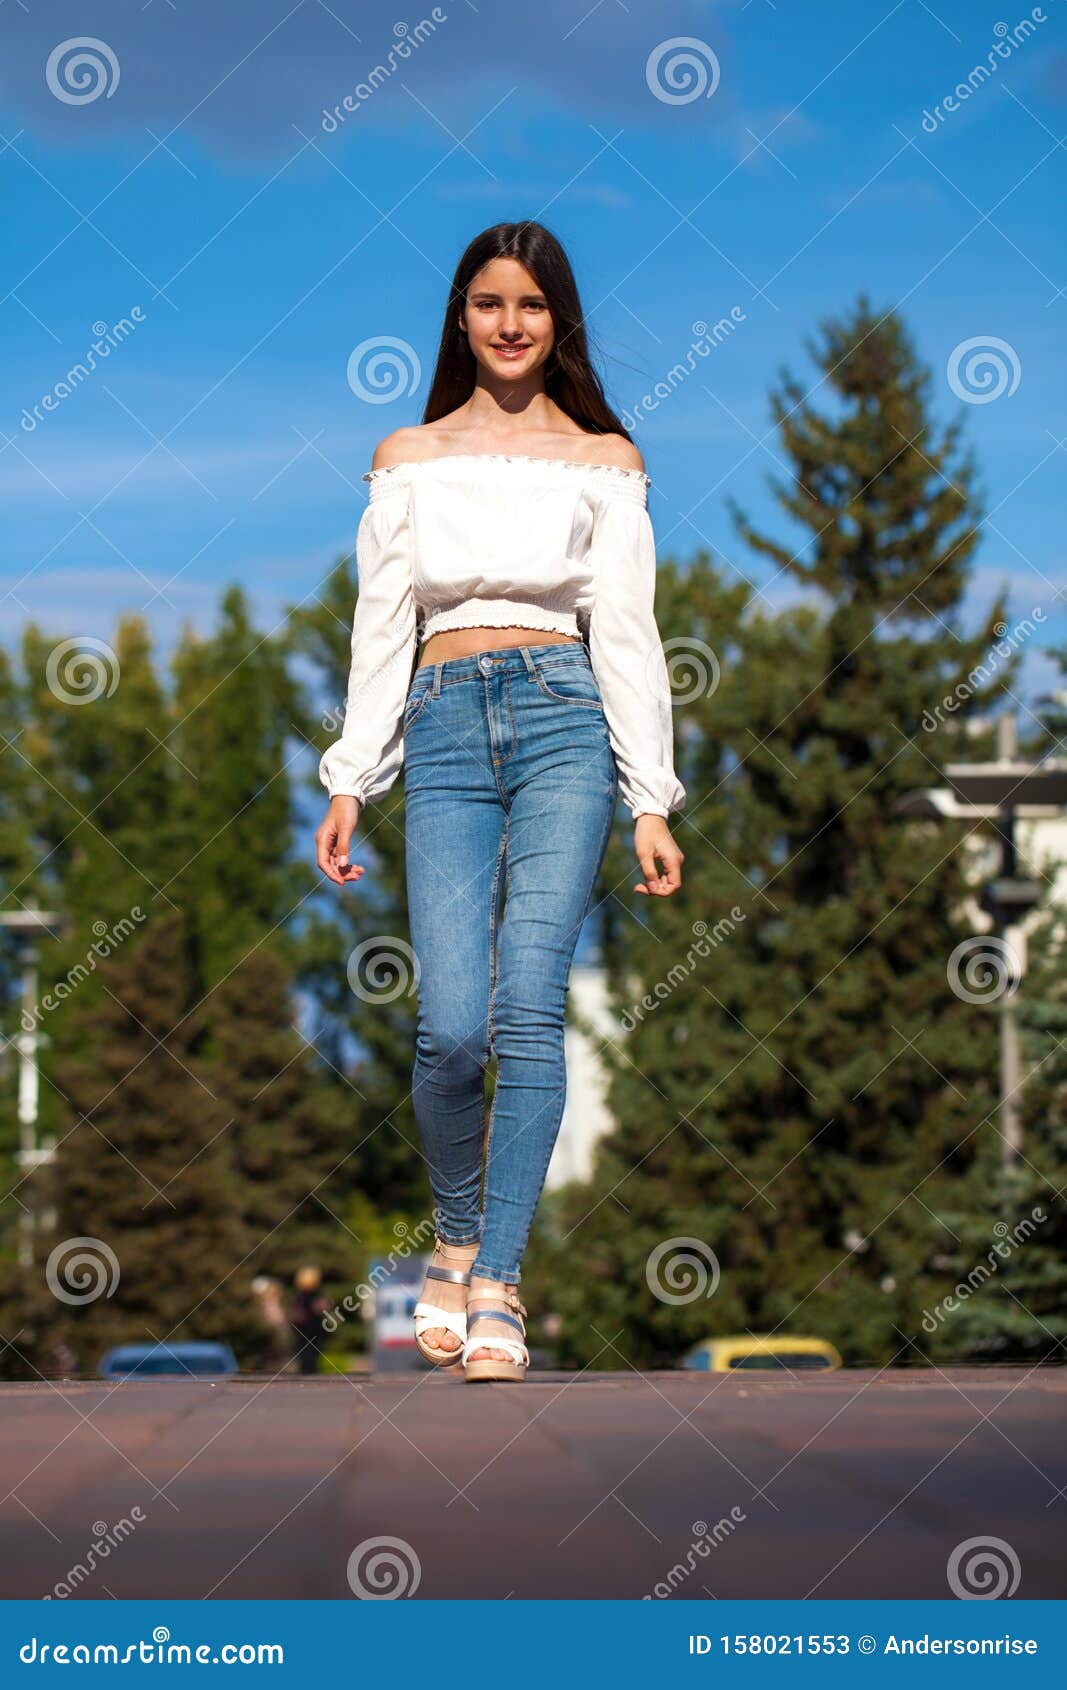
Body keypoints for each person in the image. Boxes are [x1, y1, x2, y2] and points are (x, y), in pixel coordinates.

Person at [315, 222, 685, 1384]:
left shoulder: (605, 460)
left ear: (557, 319)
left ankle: (498, 1285)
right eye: (487, 303)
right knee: (451, 1026)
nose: (510, 324)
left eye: (530, 304)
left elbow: (626, 632)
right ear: (460, 317)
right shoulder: (408, 455)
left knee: (530, 1005)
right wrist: (348, 774)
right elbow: (382, 622)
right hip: (440, 720)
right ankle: (455, 1230)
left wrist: (650, 797)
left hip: (565, 715)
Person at [289, 1265, 329, 1376]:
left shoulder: (299, 1295)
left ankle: (306, 1370)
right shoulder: (314, 1294)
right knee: (311, 1351)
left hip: (305, 1327)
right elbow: (321, 1306)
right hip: (311, 1327)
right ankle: (309, 1370)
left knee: (306, 1351)